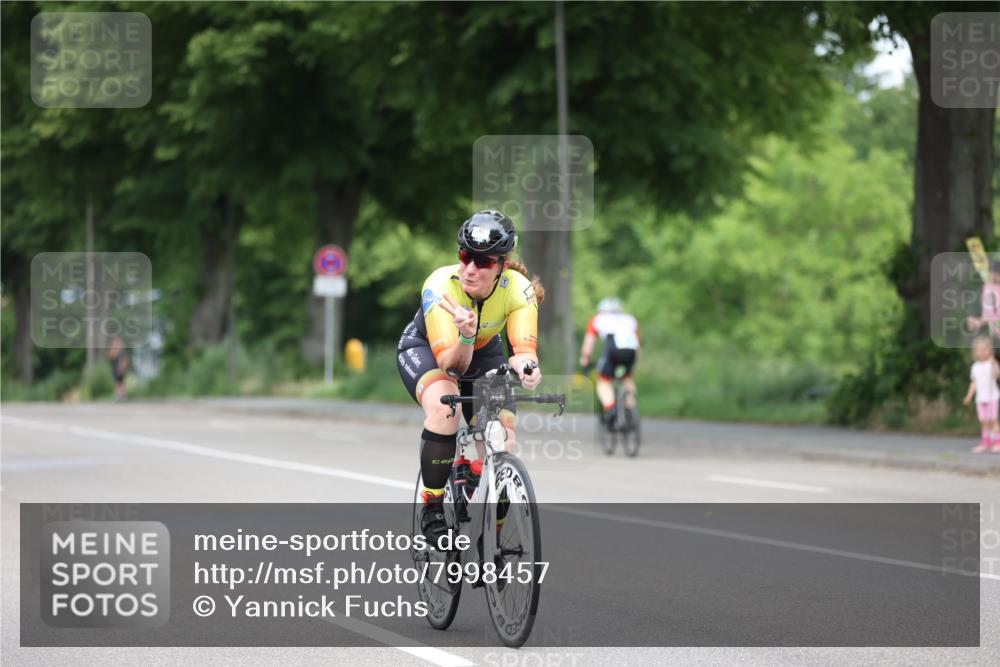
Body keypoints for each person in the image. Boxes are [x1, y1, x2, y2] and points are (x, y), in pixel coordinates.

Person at [396, 210, 544, 546]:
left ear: (502, 266)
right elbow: (453, 368)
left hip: (483, 351)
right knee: (446, 408)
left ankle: (490, 534)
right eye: (465, 257)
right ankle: (432, 506)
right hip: (432, 351)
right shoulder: (439, 286)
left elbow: (523, 350)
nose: (470, 269)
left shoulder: (519, 290)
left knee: (504, 438)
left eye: (483, 262)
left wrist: (527, 369)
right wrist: (465, 334)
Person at [579, 298, 640, 427]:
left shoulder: (598, 319)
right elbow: (637, 346)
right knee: (627, 378)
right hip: (631, 351)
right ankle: (631, 410)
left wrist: (585, 359)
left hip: (614, 348)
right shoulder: (630, 319)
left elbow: (588, 348)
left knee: (604, 380)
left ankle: (610, 407)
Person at [963, 336, 1000, 453]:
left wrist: (994, 363)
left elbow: (997, 375)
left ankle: (997, 442)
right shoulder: (975, 367)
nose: (982, 352)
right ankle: (986, 442)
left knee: (993, 420)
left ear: (990, 350)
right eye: (979, 349)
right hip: (980, 398)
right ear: (975, 351)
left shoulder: (991, 364)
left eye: (985, 349)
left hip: (992, 397)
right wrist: (969, 396)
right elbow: (973, 383)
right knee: (983, 421)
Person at [107, 335, 129, 402]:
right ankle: (120, 395)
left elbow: (125, 360)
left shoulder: (121, 352)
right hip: (115, 369)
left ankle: (121, 396)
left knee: (120, 382)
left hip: (119, 369)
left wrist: (122, 368)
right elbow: (110, 357)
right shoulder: (115, 351)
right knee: (118, 382)